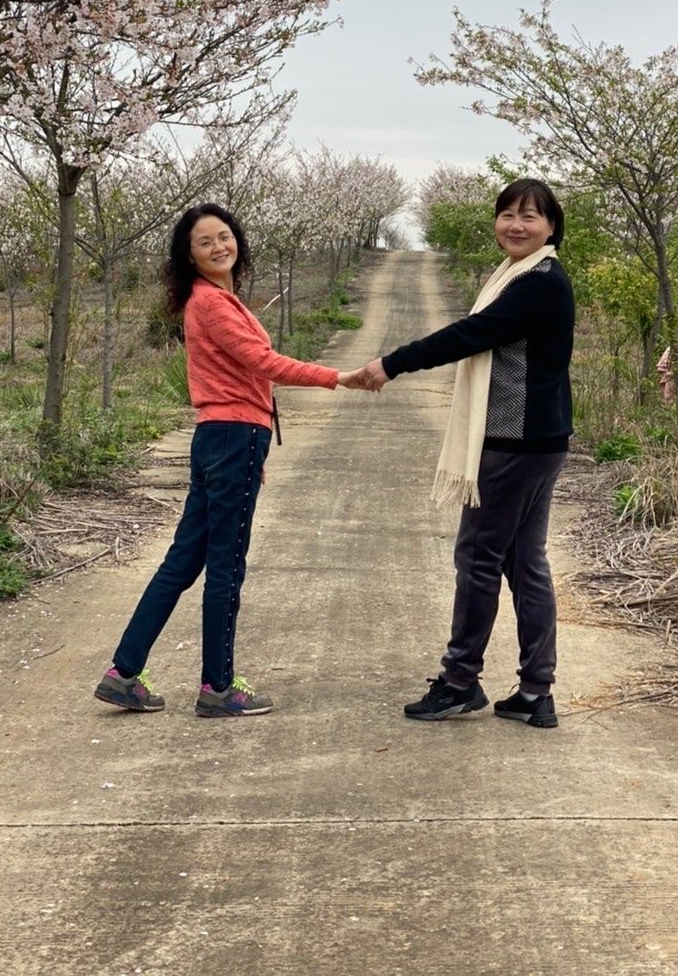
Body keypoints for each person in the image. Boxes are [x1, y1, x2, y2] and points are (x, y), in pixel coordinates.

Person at [94, 203, 367, 718]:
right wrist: (339, 377)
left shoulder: (216, 298)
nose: (219, 246)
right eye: (205, 242)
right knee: (225, 566)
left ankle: (125, 672)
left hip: (221, 437)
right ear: (189, 256)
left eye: (225, 236)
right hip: (232, 436)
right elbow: (263, 363)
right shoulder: (213, 304)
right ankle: (218, 688)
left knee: (184, 561)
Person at [359, 178, 574, 729]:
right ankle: (534, 691)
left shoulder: (539, 285)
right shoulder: (521, 277)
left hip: (513, 444)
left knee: (478, 557)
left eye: (530, 216)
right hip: (536, 442)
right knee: (524, 563)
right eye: (507, 214)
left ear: (552, 227)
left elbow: (469, 335)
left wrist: (392, 363)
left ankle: (459, 680)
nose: (516, 225)